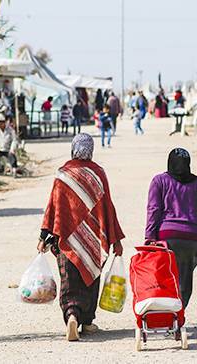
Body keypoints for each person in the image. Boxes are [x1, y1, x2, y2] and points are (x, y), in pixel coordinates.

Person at [39, 133, 124, 341]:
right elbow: (108, 208)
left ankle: (71, 316)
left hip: (66, 240)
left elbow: (53, 208)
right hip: (93, 240)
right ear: (91, 150)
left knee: (69, 280)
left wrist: (43, 235)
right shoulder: (99, 174)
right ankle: (86, 321)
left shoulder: (63, 175)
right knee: (90, 279)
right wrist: (116, 240)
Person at [145, 148, 197, 307]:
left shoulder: (159, 181)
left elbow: (154, 209)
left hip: (166, 238)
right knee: (184, 280)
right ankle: (178, 316)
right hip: (191, 239)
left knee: (165, 277)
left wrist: (149, 237)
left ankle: (165, 315)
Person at [0, 113, 18, 178]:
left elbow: (14, 140)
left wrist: (12, 149)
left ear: (3, 122)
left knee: (12, 156)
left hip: (8, 149)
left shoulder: (10, 129)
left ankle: (14, 171)